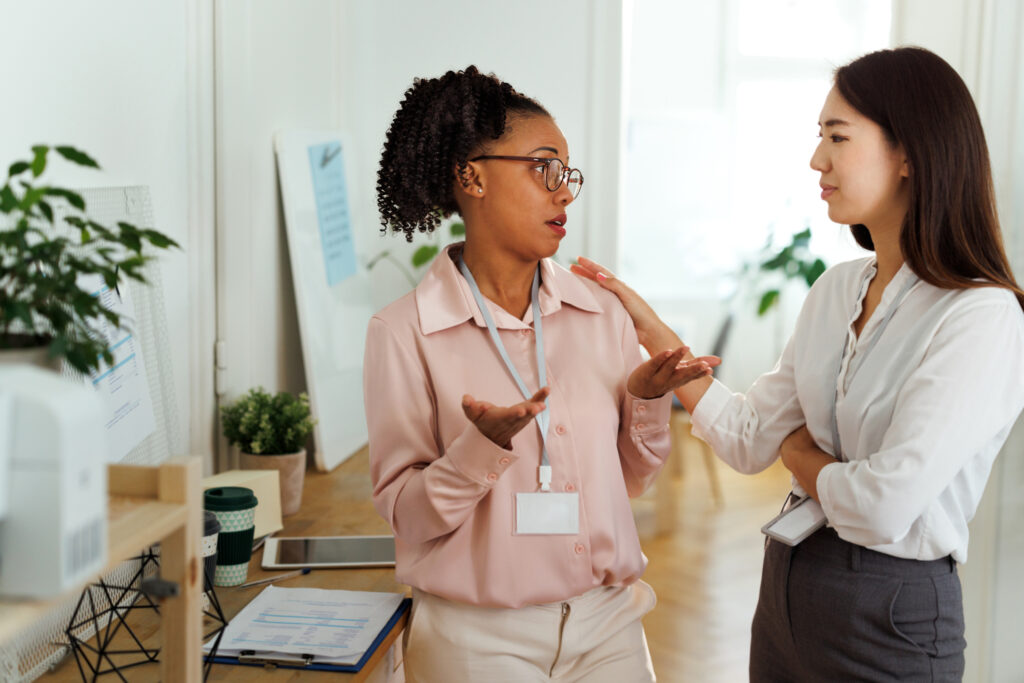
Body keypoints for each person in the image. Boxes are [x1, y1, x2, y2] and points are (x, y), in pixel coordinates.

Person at [572, 46, 1024, 681]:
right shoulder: (836, 289)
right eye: (820, 137)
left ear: (910, 155)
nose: (818, 160)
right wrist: (654, 333)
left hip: (890, 612)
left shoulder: (982, 316)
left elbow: (883, 506)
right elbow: (750, 438)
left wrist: (804, 458)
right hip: (787, 586)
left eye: (837, 137)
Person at [364, 66, 719, 683]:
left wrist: (643, 398)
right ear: (471, 176)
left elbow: (633, 479)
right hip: (477, 639)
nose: (564, 192)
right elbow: (409, 516)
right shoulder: (403, 332)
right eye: (543, 167)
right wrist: (481, 449)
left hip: (608, 624)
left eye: (568, 173)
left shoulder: (601, 311)